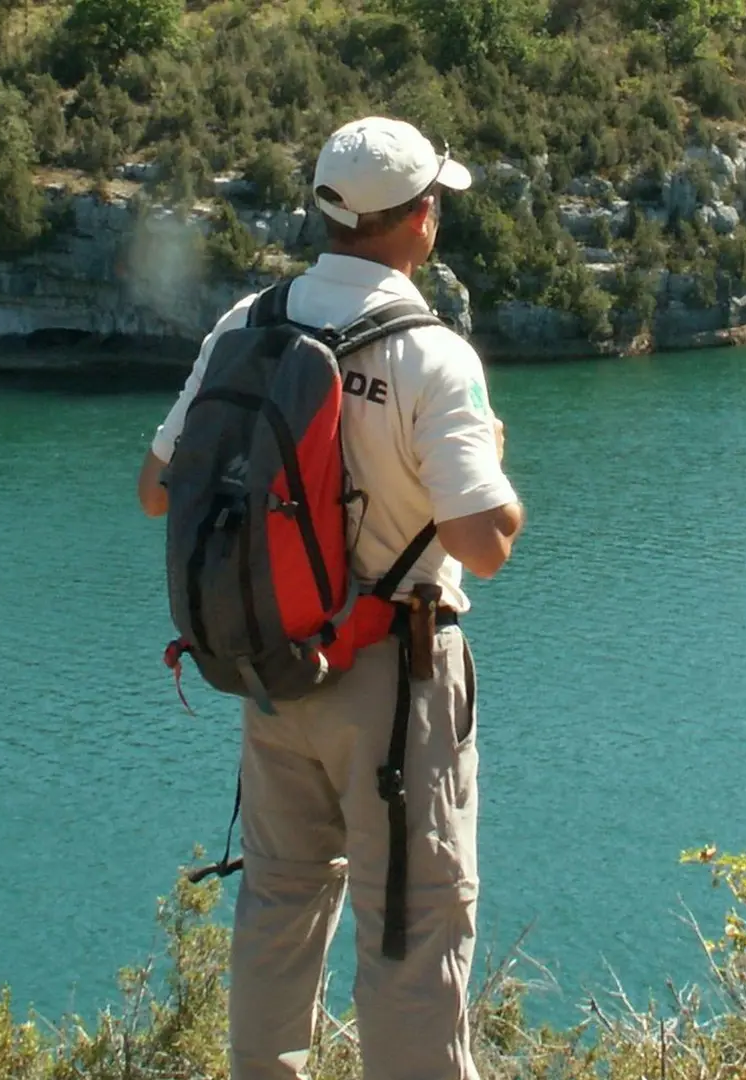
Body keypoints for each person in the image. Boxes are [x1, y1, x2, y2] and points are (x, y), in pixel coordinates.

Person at [135, 116, 525, 1080]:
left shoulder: (248, 324)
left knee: (277, 903)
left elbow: (155, 489)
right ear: (421, 219)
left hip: (273, 667)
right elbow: (486, 545)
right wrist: (497, 466)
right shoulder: (431, 356)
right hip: (393, 676)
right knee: (410, 923)